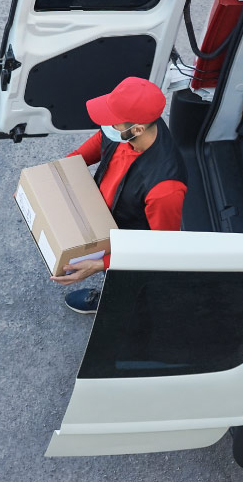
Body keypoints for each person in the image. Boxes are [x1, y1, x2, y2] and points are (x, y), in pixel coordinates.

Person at [50, 77, 188, 314]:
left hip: (131, 243)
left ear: (137, 129)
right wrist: (46, 180)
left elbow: (161, 250)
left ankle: (120, 305)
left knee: (129, 286)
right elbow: (94, 145)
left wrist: (100, 264)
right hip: (109, 220)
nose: (105, 125)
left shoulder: (165, 188)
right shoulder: (126, 132)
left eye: (112, 122)